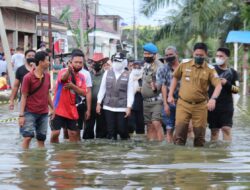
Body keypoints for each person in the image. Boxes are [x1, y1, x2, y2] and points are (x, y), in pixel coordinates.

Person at [168, 42, 222, 147]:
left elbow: (218, 85)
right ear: (193, 53)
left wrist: (213, 99)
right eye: (196, 54)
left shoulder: (210, 69)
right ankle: (179, 160)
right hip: (183, 104)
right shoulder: (184, 64)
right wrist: (170, 95)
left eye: (201, 55)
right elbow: (175, 77)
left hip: (200, 106)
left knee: (200, 137)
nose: (198, 57)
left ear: (206, 55)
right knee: (179, 134)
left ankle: (198, 160)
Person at [50, 51, 87, 143]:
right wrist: (69, 71)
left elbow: (84, 93)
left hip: (72, 110)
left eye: (80, 63)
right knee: (55, 133)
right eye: (76, 62)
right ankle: (55, 153)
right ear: (71, 62)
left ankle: (72, 155)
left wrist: (73, 87)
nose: (78, 64)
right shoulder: (63, 71)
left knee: (73, 134)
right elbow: (63, 79)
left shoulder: (82, 77)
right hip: (58, 109)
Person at [18, 51, 53, 149]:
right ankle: (24, 162)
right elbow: (23, 96)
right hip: (30, 112)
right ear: (41, 62)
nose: (49, 62)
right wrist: (21, 115)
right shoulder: (28, 77)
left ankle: (41, 162)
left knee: (41, 139)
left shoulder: (47, 76)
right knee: (27, 137)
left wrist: (53, 108)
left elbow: (47, 94)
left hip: (43, 113)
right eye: (47, 60)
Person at [96, 52, 134, 140]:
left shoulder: (129, 75)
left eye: (119, 61)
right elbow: (102, 89)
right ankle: (112, 152)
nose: (117, 63)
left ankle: (124, 150)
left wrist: (129, 107)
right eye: (115, 61)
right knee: (110, 132)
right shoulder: (107, 73)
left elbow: (130, 93)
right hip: (108, 107)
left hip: (122, 107)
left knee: (122, 130)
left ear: (124, 62)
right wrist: (98, 103)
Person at [208, 47, 239, 142]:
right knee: (214, 131)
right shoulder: (210, 69)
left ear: (227, 57)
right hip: (212, 104)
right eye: (217, 56)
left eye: (221, 56)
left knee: (226, 129)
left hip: (227, 105)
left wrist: (226, 83)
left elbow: (236, 90)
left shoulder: (233, 72)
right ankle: (214, 153)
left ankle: (226, 153)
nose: (218, 58)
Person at [157, 46, 180, 143]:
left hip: (183, 102)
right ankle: (170, 149)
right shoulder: (163, 69)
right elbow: (163, 86)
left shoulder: (184, 67)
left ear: (176, 54)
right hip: (169, 102)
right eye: (166, 55)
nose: (168, 57)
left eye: (171, 54)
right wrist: (165, 104)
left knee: (185, 127)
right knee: (169, 128)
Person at [141, 43, 164, 141]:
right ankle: (151, 148)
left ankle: (161, 146)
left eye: (148, 54)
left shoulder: (160, 66)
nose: (146, 56)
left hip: (157, 100)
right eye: (145, 53)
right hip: (146, 101)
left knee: (156, 123)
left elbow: (162, 83)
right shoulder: (146, 65)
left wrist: (155, 86)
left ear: (154, 54)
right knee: (149, 125)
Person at [85, 53, 109, 139]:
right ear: (91, 63)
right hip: (89, 106)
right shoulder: (87, 75)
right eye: (94, 62)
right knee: (87, 133)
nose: (96, 64)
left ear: (103, 63)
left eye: (99, 62)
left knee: (101, 134)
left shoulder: (106, 75)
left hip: (102, 107)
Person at [128, 60, 145, 135]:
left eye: (138, 67)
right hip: (131, 105)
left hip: (142, 105)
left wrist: (141, 90)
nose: (136, 68)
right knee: (130, 126)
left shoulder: (144, 77)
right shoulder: (129, 76)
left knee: (140, 126)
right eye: (134, 66)